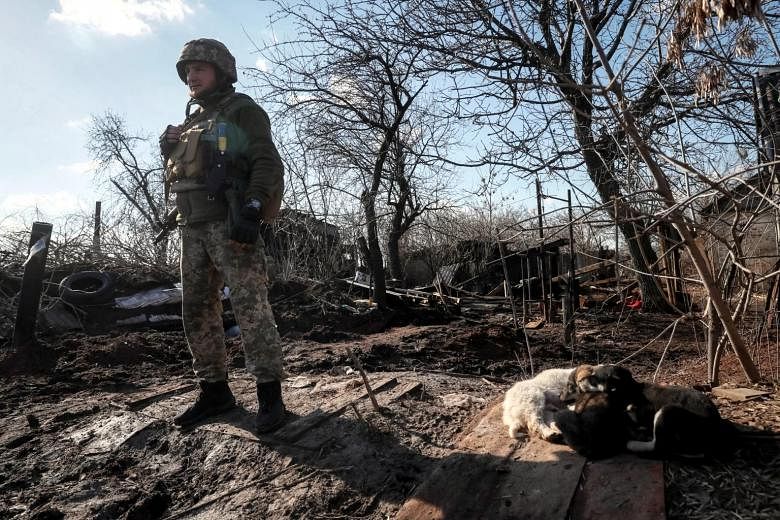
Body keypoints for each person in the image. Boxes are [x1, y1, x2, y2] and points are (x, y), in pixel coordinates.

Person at [159, 38, 286, 432]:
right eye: (188, 71)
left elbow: (266, 159)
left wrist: (253, 207)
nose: (192, 77)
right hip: (191, 228)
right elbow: (189, 174)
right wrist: (168, 149)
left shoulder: (242, 111)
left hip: (229, 225)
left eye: (200, 69)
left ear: (221, 72)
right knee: (196, 311)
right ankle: (214, 391)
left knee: (250, 307)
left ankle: (270, 397)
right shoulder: (192, 122)